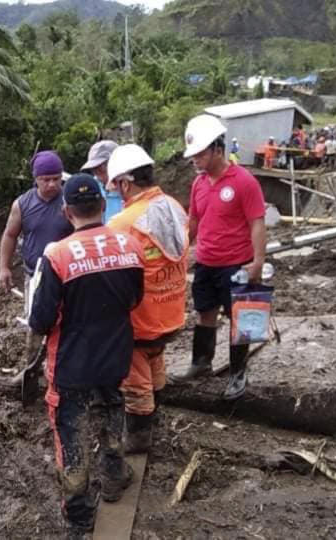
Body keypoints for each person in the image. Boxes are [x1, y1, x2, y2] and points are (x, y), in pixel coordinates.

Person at [28, 174, 144, 537]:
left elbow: (42, 320)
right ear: (100, 205)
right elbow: (135, 300)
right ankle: (113, 473)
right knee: (112, 407)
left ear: (66, 211)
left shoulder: (58, 255)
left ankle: (78, 515)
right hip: (115, 353)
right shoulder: (130, 246)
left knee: (71, 433)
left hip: (72, 363)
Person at [172, 114, 267, 401]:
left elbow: (257, 222)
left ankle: (238, 373)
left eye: (200, 154)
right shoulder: (199, 184)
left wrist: (258, 262)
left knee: (242, 319)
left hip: (236, 263)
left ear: (217, 149)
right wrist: (183, 250)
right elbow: (195, 222)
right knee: (205, 313)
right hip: (206, 262)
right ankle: (201, 362)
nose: (195, 160)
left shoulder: (244, 182)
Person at [106, 144, 188, 453]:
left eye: (117, 187)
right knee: (155, 361)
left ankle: (139, 437)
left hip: (140, 321)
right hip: (172, 313)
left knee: (135, 380)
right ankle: (158, 410)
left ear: (125, 183)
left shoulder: (123, 223)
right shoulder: (175, 207)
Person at [0, 151, 74, 362]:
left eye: (56, 179)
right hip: (36, 276)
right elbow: (10, 235)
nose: (51, 184)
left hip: (68, 273)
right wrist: (3, 268)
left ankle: (65, 361)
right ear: (36, 179)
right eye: (45, 180)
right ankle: (31, 365)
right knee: (36, 321)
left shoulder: (70, 200)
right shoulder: (22, 204)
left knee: (69, 321)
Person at [81, 140, 122, 223]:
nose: (97, 171)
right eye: (94, 168)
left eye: (101, 166)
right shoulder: (93, 187)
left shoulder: (130, 186)